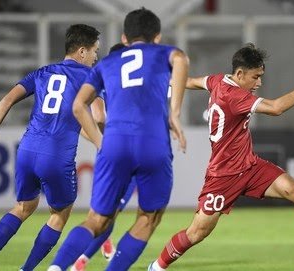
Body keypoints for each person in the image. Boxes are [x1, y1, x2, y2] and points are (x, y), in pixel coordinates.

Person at [147, 43, 294, 271]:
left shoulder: (217, 81)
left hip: (250, 167)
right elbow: (276, 107)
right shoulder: (235, 96)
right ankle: (157, 267)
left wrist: (164, 80)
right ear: (240, 74)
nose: (259, 83)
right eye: (256, 77)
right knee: (197, 233)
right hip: (223, 176)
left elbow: (190, 82)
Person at [47, 7, 188, 271]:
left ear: (124, 38)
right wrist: (175, 115)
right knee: (148, 218)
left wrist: (101, 141)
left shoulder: (106, 63)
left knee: (96, 219)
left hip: (115, 143)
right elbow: (180, 59)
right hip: (152, 142)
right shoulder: (162, 52)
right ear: (157, 37)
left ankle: (56, 267)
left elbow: (78, 106)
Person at [0, 24, 101, 271]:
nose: (96, 57)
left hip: (27, 151)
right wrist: (102, 140)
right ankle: (26, 269)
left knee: (23, 207)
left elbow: (7, 99)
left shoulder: (42, 73)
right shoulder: (89, 78)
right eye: (94, 51)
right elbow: (99, 116)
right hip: (56, 155)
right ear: (82, 51)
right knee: (60, 214)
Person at [71, 43, 138, 271]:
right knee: (108, 214)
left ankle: (88, 251)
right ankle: (81, 261)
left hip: (109, 154)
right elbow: (99, 116)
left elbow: (80, 120)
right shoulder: (123, 85)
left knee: (99, 212)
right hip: (124, 155)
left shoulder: (99, 79)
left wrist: (100, 141)